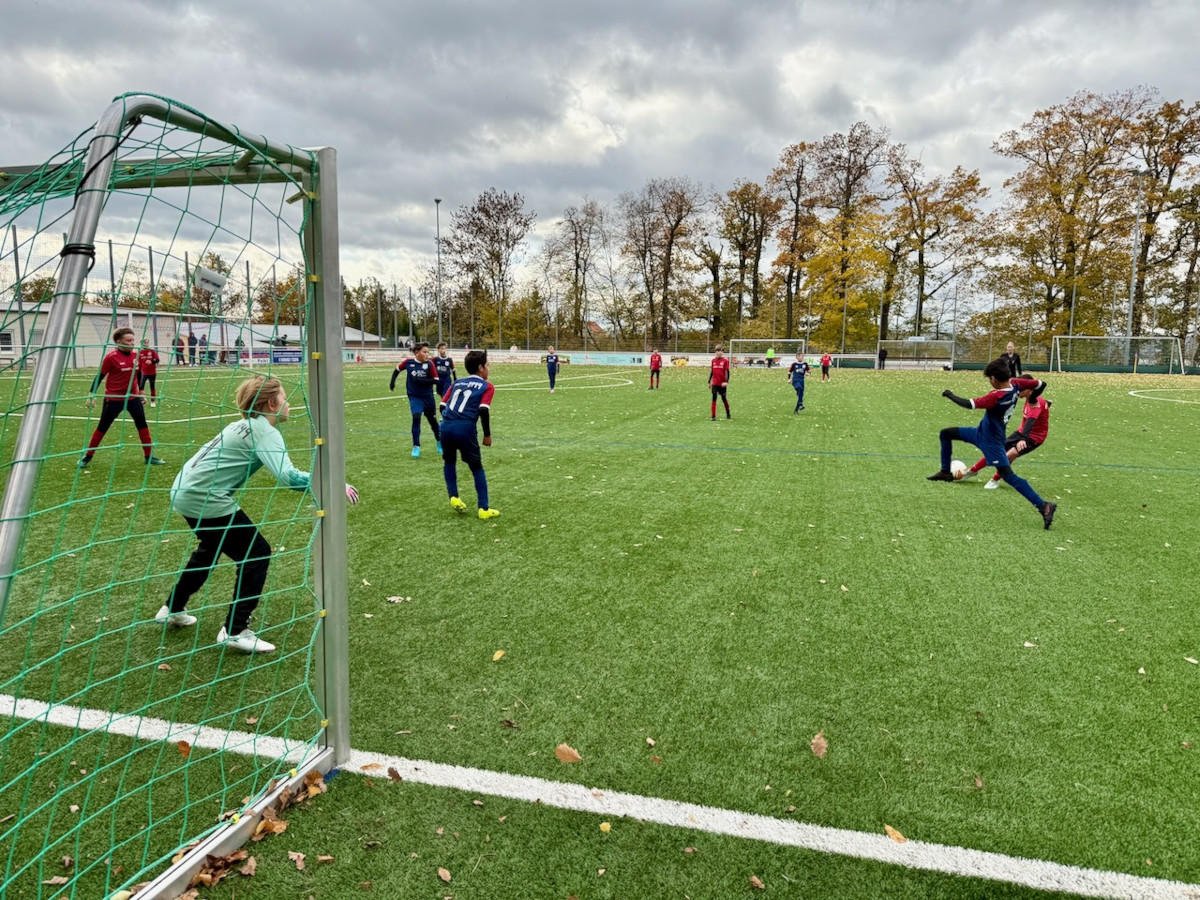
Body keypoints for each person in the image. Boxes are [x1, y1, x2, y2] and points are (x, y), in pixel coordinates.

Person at [159, 374, 359, 653]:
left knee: (211, 548)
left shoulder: (243, 424)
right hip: (205, 497)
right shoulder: (264, 431)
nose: (288, 403)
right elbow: (287, 476)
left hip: (184, 491)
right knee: (257, 553)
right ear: (270, 404)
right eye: (284, 397)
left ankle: (173, 607)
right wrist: (334, 483)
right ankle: (235, 629)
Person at [927, 358, 1056, 529]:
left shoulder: (995, 397)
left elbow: (968, 404)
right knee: (946, 434)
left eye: (989, 378)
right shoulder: (1016, 384)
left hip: (992, 443)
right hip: (979, 433)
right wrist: (1033, 397)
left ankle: (1043, 506)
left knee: (1009, 476)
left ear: (994, 379)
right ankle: (945, 472)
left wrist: (950, 395)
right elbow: (1041, 384)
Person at [79, 327, 165, 468]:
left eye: (133, 340)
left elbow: (137, 376)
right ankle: (87, 456)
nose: (132, 343)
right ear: (119, 342)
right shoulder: (111, 358)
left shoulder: (135, 357)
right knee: (103, 427)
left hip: (132, 398)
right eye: (128, 340)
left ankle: (149, 456)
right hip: (113, 400)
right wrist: (91, 395)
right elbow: (99, 376)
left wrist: (140, 393)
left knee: (142, 425)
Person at [440, 349, 499, 520]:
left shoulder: (456, 383)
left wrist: (449, 420)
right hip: (465, 429)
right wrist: (487, 435)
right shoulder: (487, 386)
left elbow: (442, 406)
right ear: (481, 368)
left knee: (449, 461)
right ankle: (483, 508)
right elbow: (483, 410)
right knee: (476, 467)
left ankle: (454, 497)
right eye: (488, 365)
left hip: (446, 426)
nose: (489, 369)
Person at [960, 389, 1052, 489]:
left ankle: (994, 480)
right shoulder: (1031, 398)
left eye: (1021, 389)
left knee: (1009, 455)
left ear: (1028, 390)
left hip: (1033, 438)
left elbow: (1030, 422)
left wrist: (1023, 439)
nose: (1018, 391)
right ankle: (972, 471)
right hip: (1021, 432)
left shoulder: (1035, 404)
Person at [390, 341, 442, 458]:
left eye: (428, 352)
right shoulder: (409, 363)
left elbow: (436, 380)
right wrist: (392, 382)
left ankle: (439, 441)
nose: (427, 354)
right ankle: (416, 446)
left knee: (432, 420)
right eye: (424, 352)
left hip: (428, 397)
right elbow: (397, 370)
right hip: (414, 396)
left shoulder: (429, 364)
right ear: (417, 353)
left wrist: (422, 381)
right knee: (416, 417)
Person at [709, 345, 731, 420]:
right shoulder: (713, 361)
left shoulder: (725, 361)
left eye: (721, 351)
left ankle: (728, 413)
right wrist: (709, 381)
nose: (719, 353)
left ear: (723, 353)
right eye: (718, 351)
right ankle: (713, 416)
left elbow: (727, 372)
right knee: (714, 398)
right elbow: (712, 372)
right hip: (715, 383)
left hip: (722, 384)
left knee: (723, 398)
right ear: (715, 352)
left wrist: (726, 382)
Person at [137, 338, 161, 408]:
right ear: (142, 344)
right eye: (144, 343)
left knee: (152, 387)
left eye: (147, 343)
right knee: (141, 387)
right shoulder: (140, 352)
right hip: (143, 373)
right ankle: (142, 400)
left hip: (152, 372)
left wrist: (152, 362)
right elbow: (139, 363)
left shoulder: (152, 351)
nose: (146, 344)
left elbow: (157, 360)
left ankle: (153, 401)